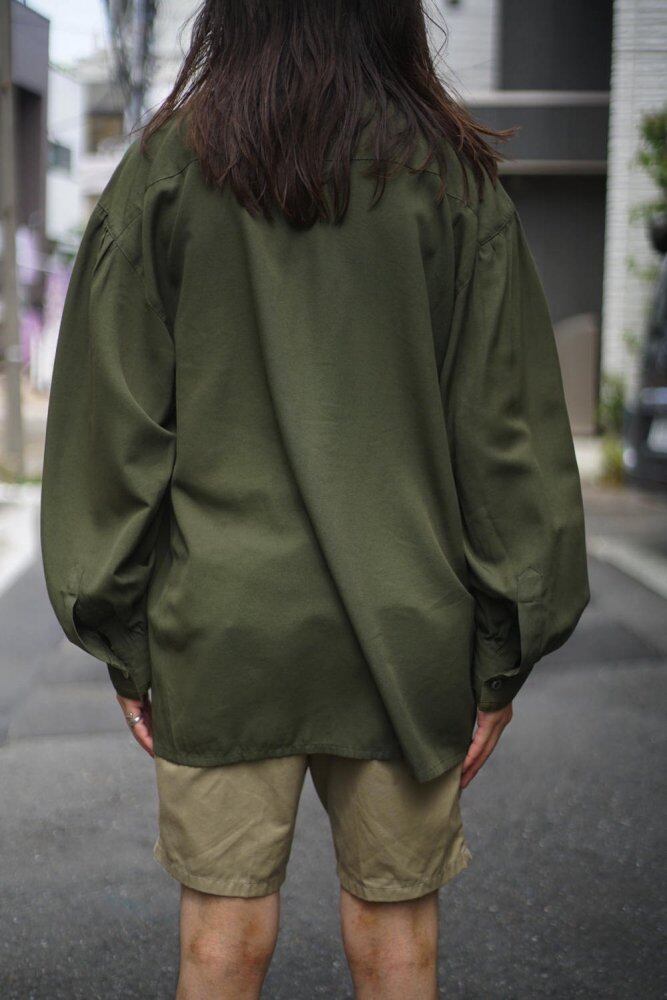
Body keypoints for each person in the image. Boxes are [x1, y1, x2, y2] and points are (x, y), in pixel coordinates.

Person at [39, 1, 590, 996]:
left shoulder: (166, 171)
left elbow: (112, 432)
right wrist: (503, 649)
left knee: (220, 939)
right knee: (395, 940)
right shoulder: (449, 179)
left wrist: (119, 628)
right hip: (405, 633)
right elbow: (504, 437)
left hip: (220, 630)